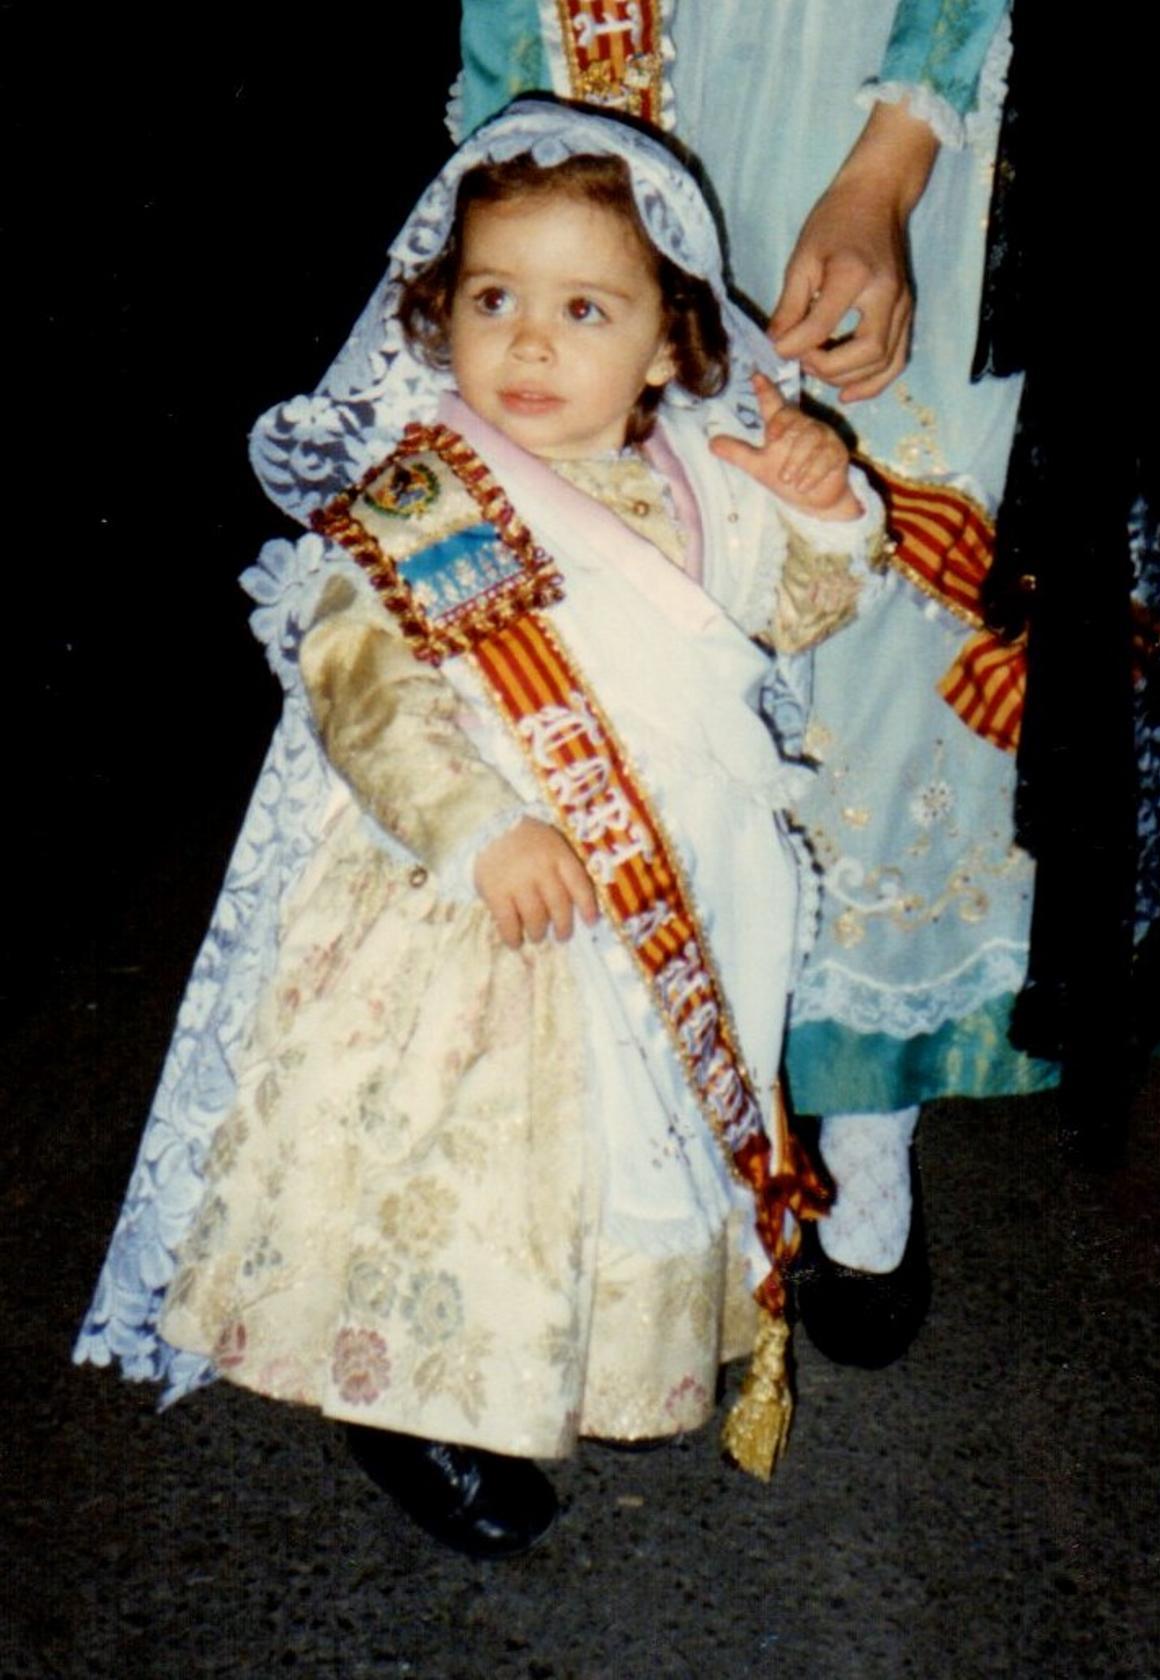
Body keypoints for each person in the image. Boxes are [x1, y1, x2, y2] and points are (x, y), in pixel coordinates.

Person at [75, 100, 892, 1557]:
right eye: (492, 299)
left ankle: (561, 1364)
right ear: (435, 314)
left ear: (667, 344)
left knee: (607, 1162)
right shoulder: (412, 499)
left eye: (584, 308)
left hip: (664, 890)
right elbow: (364, 689)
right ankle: (420, 1406)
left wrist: (824, 510)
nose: (526, 343)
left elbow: (793, 613)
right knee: (464, 1167)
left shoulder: (704, 483)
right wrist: (476, 830)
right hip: (473, 910)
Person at [456, 0, 1055, 1365]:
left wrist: (889, 165)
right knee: (673, 601)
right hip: (649, 99)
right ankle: (700, 1111)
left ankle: (866, 1130)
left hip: (896, 101)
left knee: (892, 613)